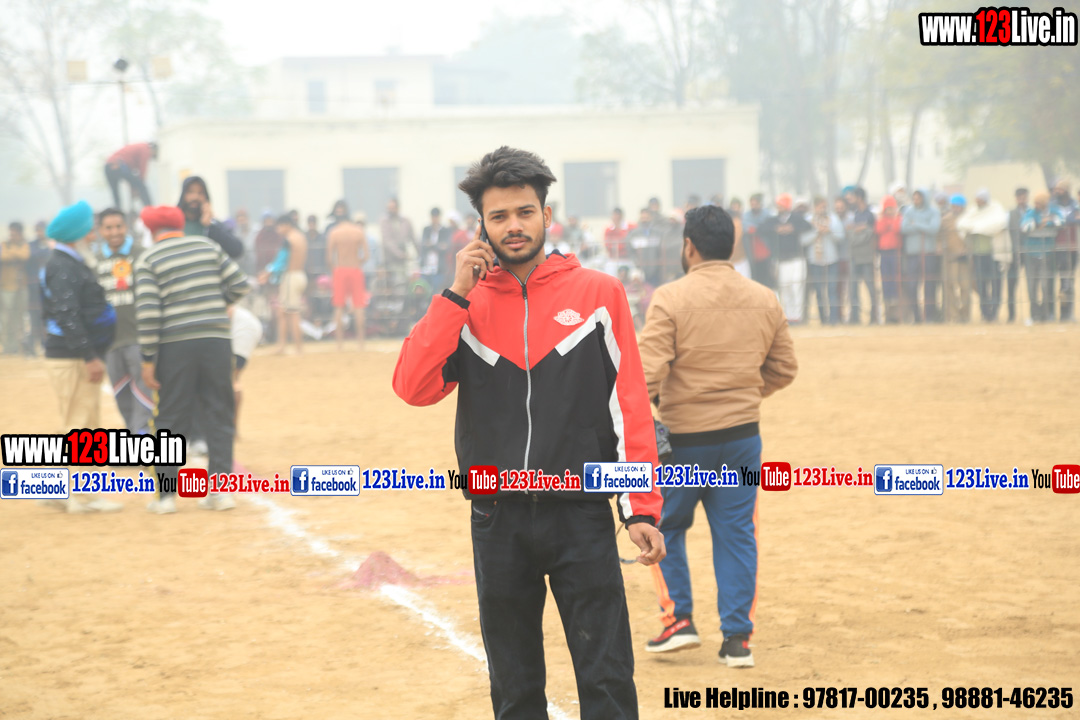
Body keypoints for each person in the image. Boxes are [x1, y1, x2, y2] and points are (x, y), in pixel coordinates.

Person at [393, 146, 665, 720]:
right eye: (498, 216)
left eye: (524, 212)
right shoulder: (464, 306)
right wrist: (455, 295)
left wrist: (639, 507)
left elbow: (629, 408)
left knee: (607, 678)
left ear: (547, 215)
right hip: (497, 518)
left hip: (582, 513)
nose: (513, 226)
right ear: (481, 225)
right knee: (514, 688)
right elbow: (412, 386)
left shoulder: (599, 295)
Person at [637, 204, 797, 667]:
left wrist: (661, 406)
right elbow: (784, 368)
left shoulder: (670, 297)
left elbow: (646, 374)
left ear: (689, 246)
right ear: (732, 246)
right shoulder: (764, 297)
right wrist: (742, 393)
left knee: (665, 528)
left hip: (684, 441)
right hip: (743, 437)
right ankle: (737, 640)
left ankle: (679, 621)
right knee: (737, 535)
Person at [135, 205, 249, 514]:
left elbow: (148, 315)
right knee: (219, 411)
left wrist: (148, 359)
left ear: (151, 231)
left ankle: (166, 497)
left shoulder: (148, 260)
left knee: (170, 416)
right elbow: (240, 284)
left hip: (175, 346)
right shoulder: (208, 246)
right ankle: (220, 493)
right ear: (180, 225)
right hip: (216, 341)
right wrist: (214, 304)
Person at [40, 201, 122, 513]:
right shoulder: (64, 266)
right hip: (72, 357)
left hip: (72, 355)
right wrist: (89, 356)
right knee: (80, 426)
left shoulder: (68, 262)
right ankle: (80, 496)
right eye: (88, 229)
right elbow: (67, 314)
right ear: (77, 233)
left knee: (85, 423)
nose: (93, 234)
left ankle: (73, 492)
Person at [94, 208, 152, 434]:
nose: (114, 232)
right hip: (110, 341)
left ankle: (142, 436)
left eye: (118, 226)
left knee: (144, 390)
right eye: (108, 228)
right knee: (121, 392)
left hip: (139, 337)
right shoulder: (95, 261)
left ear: (126, 226)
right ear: (101, 230)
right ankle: (132, 433)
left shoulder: (142, 255)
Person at [957, 189, 1008, 322]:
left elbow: (998, 224)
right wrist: (977, 227)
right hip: (978, 255)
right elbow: (962, 224)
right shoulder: (973, 212)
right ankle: (985, 313)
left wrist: (978, 227)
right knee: (981, 285)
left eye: (980, 198)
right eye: (977, 198)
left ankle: (994, 312)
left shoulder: (995, 210)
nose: (978, 201)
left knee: (996, 284)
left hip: (994, 255)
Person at [761, 194, 811, 323]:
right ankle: (789, 317)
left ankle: (798, 317)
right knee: (785, 288)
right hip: (781, 260)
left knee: (797, 288)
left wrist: (792, 229)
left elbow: (808, 227)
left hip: (796, 259)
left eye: (781, 205)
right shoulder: (773, 220)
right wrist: (776, 229)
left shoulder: (796, 218)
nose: (779, 208)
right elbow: (761, 228)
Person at [326, 207, 370, 350]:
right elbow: (366, 255)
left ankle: (339, 344)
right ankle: (361, 343)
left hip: (340, 270)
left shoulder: (334, 232)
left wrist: (335, 268)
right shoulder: (358, 231)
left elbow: (329, 257)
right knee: (359, 306)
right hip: (355, 269)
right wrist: (357, 262)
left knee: (339, 307)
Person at [266, 215, 308, 354]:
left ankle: (298, 348)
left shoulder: (289, 239)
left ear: (286, 225)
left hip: (291, 276)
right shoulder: (301, 237)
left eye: (279, 226)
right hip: (300, 275)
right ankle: (282, 346)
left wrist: (268, 272)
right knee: (283, 312)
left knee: (293, 313)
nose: (278, 230)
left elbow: (280, 260)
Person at [1020, 192, 1064, 324]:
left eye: (1039, 203)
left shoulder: (1054, 211)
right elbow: (1025, 227)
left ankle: (1047, 314)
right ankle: (1035, 315)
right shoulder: (1031, 212)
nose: (1036, 205)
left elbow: (1061, 221)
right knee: (1032, 286)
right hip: (1031, 254)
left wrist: (1046, 223)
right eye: (1035, 203)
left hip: (1048, 253)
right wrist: (1040, 222)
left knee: (1046, 286)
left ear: (1045, 203)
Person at [900, 189, 942, 323]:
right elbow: (904, 228)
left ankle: (929, 316)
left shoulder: (933, 212)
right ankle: (916, 316)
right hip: (912, 254)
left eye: (918, 198)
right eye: (914, 198)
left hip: (928, 253)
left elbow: (933, 229)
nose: (916, 201)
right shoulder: (909, 211)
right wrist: (924, 226)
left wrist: (916, 224)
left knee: (929, 285)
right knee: (912, 286)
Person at [176, 176, 244, 259]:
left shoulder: (213, 225)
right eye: (191, 192)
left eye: (200, 193)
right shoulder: (174, 225)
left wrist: (210, 225)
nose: (195, 197)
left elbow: (236, 250)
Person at [804, 197, 843, 325]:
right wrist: (817, 232)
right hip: (815, 261)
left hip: (831, 260)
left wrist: (829, 231)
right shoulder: (808, 220)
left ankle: (833, 319)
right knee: (819, 291)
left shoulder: (833, 219)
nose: (823, 209)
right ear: (815, 207)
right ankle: (823, 319)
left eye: (825, 206)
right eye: (821, 207)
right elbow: (803, 240)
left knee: (832, 289)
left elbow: (840, 236)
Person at [229, 303, 262, 438]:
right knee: (229, 379)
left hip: (243, 330)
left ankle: (232, 428)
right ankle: (230, 428)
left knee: (231, 378)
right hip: (241, 327)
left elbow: (228, 310)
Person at [846, 188, 878, 324]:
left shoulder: (870, 214)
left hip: (866, 257)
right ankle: (855, 317)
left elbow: (869, 233)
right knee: (853, 288)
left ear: (859, 198)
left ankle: (874, 317)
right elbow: (850, 232)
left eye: (852, 197)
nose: (850, 200)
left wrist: (855, 231)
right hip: (854, 256)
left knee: (871, 288)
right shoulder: (854, 214)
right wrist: (859, 229)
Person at [941, 195, 972, 323]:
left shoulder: (969, 219)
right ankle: (954, 316)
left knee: (965, 287)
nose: (956, 208)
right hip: (949, 259)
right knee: (949, 287)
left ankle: (965, 315)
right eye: (954, 206)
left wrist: (968, 249)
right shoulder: (945, 220)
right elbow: (939, 238)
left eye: (958, 206)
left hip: (965, 259)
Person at [1, 222, 31, 354]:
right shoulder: (4, 244)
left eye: (14, 233)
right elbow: (3, 256)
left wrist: (11, 252)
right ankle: (8, 346)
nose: (12, 235)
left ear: (19, 233)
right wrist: (15, 252)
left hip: (21, 286)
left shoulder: (24, 244)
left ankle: (20, 345)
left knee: (21, 317)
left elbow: (25, 255)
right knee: (7, 318)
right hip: (6, 287)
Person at [1051, 181, 1078, 321]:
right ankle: (1062, 313)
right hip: (1059, 247)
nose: (1058, 192)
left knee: (1070, 280)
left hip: (1073, 247)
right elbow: (1056, 220)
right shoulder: (1053, 205)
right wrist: (1069, 219)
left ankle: (1069, 313)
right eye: (1056, 189)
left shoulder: (1075, 205)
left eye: (1060, 189)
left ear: (1066, 190)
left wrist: (1066, 219)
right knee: (1064, 280)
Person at [104, 142, 156, 211]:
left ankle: (117, 212)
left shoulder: (139, 147)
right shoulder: (145, 149)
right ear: (152, 149)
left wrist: (133, 187)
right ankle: (150, 209)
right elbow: (142, 169)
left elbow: (131, 176)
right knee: (141, 186)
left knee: (115, 193)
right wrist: (139, 185)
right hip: (119, 164)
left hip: (108, 166)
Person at [25, 221, 51, 355]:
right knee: (35, 316)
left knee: (48, 316)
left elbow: (50, 255)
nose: (40, 233)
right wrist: (45, 251)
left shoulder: (51, 243)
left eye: (42, 230)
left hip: (49, 286)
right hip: (34, 288)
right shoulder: (32, 245)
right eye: (38, 230)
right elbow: (33, 254)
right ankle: (34, 345)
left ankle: (46, 344)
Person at [876, 196, 903, 323]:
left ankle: (896, 310)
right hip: (884, 252)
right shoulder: (881, 219)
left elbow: (897, 228)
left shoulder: (898, 218)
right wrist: (888, 223)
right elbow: (879, 229)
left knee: (895, 279)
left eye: (892, 208)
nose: (890, 211)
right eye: (887, 209)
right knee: (885, 279)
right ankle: (887, 308)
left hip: (895, 252)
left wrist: (891, 223)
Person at [380, 198, 415, 286]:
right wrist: (399, 254)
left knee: (404, 282)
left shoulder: (405, 221)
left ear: (398, 208)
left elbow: (413, 238)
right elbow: (387, 241)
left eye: (392, 208)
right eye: (389, 208)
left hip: (404, 261)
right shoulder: (384, 221)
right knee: (393, 284)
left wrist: (418, 255)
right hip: (390, 260)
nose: (390, 210)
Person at [1006, 188, 1029, 323]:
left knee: (1032, 283)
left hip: (1029, 252)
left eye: (1023, 197)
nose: (1021, 200)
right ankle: (1011, 315)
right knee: (1011, 284)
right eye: (1019, 197)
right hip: (1014, 253)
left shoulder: (1031, 212)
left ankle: (1035, 314)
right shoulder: (1010, 214)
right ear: (1016, 198)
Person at [742, 193, 774, 289]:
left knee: (767, 279)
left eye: (756, 204)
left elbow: (769, 226)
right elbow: (745, 227)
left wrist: (757, 229)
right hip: (753, 253)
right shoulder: (746, 216)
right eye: (752, 204)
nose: (754, 206)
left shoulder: (767, 214)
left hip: (766, 250)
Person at [419, 207, 452, 291]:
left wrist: (432, 244)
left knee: (436, 291)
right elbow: (423, 245)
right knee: (425, 291)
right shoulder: (426, 230)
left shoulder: (445, 231)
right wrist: (438, 246)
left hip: (439, 269)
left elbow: (446, 248)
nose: (434, 219)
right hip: (426, 267)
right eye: (433, 217)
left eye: (436, 216)